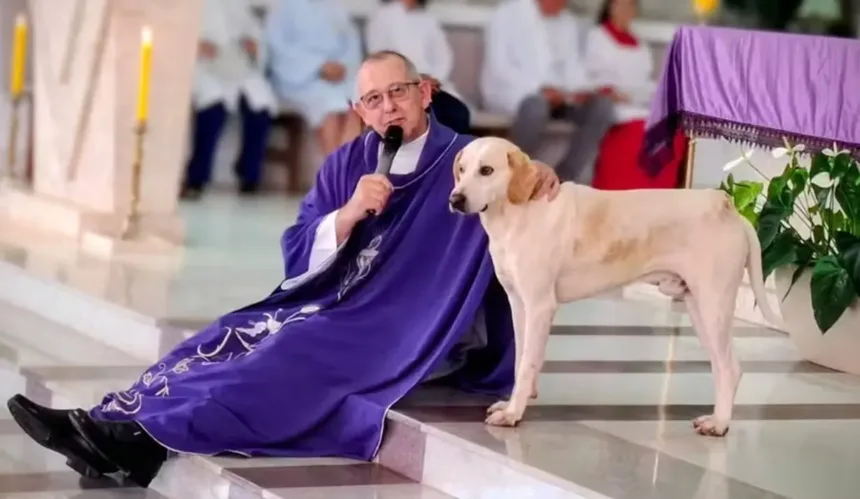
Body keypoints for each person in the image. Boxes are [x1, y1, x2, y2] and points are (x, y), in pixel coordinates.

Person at [6, 50, 561, 488]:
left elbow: (520, 185)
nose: (389, 108)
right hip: (329, 304)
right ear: (359, 111)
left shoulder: (466, 160)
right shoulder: (347, 163)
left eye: (399, 92)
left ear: (426, 92)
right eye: (374, 99)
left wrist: (542, 177)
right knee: (226, 336)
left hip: (402, 325)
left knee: (285, 354)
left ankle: (143, 441)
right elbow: (298, 245)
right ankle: (108, 424)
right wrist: (346, 216)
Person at [480, 0, 617, 184]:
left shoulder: (568, 23)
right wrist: (540, 89)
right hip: (515, 92)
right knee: (536, 106)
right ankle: (513, 177)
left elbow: (573, 68)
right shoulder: (506, 15)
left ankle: (562, 179)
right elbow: (500, 68)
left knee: (602, 107)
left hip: (560, 97)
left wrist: (582, 90)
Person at [586, 0, 688, 190]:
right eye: (621, 5)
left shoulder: (639, 44)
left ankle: (660, 193)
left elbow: (645, 79)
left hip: (640, 101)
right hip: (615, 103)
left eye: (630, 5)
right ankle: (622, 188)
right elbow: (592, 73)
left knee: (674, 127)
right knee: (640, 130)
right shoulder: (597, 36)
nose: (626, 10)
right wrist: (611, 90)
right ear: (610, 7)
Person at [182, 0, 278, 199]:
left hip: (239, 68)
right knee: (213, 107)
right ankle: (196, 177)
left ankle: (249, 175)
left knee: (259, 108)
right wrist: (194, 45)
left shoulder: (239, 4)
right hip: (205, 69)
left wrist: (253, 46)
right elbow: (175, 35)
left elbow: (255, 35)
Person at [265, 0, 364, 156]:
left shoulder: (336, 7)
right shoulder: (285, 6)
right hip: (299, 80)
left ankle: (348, 166)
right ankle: (334, 167)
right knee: (330, 102)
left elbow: (351, 44)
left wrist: (342, 67)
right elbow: (278, 48)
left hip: (337, 77)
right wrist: (318, 66)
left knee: (358, 99)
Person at [364, 0, 472, 134]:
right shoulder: (381, 18)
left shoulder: (428, 19)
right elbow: (381, 59)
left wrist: (434, 79)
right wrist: (414, 79)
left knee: (459, 113)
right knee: (429, 115)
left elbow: (444, 57)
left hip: (433, 86)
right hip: (400, 87)